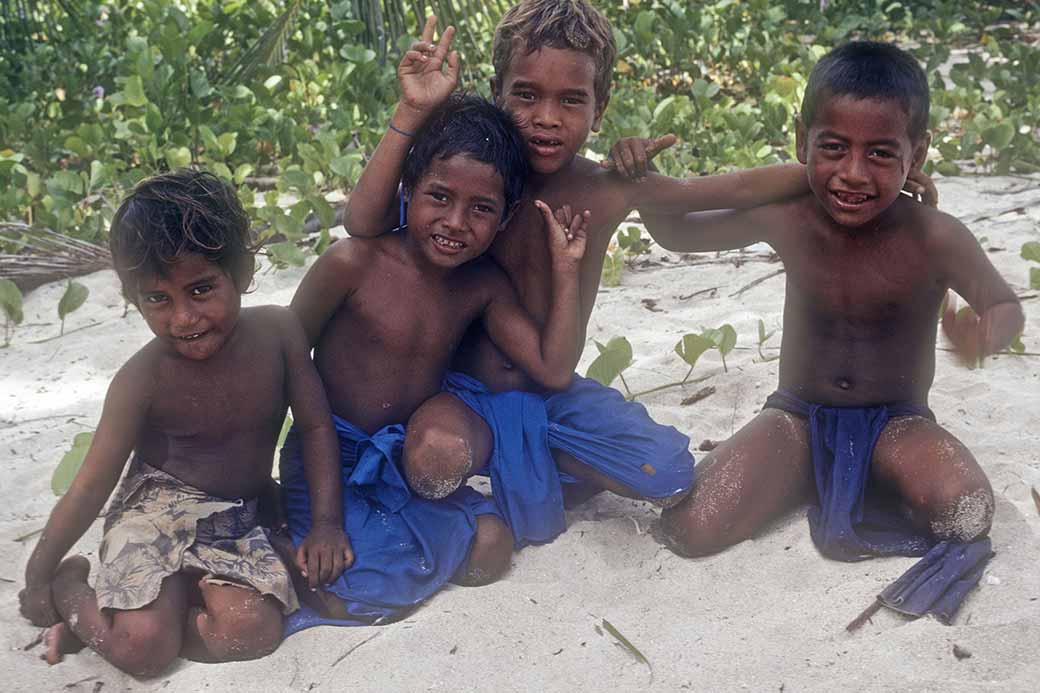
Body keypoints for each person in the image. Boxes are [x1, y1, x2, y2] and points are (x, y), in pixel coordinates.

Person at [342, 3, 825, 533]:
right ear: (497, 90)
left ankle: (537, 460)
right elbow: (363, 220)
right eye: (526, 94)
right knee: (435, 461)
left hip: (552, 392)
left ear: (600, 109)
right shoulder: (469, 184)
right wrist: (412, 113)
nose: (546, 117)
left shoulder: (608, 188)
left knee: (665, 473)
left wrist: (837, 169)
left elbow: (733, 187)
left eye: (571, 101)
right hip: (459, 393)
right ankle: (521, 465)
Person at [654, 42, 1022, 623]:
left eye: (881, 154)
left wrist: (984, 333)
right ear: (802, 141)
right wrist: (780, 179)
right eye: (832, 148)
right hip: (798, 415)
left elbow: (1005, 304)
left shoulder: (934, 236)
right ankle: (800, 473)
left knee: (968, 513)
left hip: (895, 423)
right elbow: (677, 232)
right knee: (690, 527)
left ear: (917, 153)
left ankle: (859, 477)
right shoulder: (789, 215)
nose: (853, 174)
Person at [17, 170, 351, 675]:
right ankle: (75, 588)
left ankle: (172, 601)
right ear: (134, 299)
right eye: (158, 300)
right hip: (153, 515)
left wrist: (326, 523)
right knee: (142, 650)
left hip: (238, 517)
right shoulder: (141, 379)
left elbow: (316, 429)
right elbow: (89, 489)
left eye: (200, 289)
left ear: (239, 272)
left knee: (251, 633)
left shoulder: (279, 332)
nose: (183, 318)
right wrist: (39, 575)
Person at [281, 92, 588, 630]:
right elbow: (280, 363)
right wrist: (320, 518)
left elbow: (554, 370)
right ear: (407, 190)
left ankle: (381, 547)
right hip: (326, 459)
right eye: (439, 197)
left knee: (492, 546)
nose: (455, 222)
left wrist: (567, 270)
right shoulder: (351, 265)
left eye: (481, 209)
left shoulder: (481, 286)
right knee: (353, 592)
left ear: (505, 215)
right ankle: (287, 541)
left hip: (398, 464)